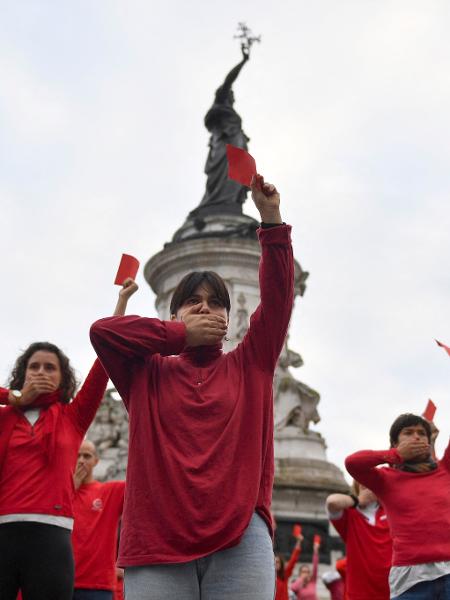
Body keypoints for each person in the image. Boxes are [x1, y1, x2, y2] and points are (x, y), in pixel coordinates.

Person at [90, 175, 294, 600]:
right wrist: (179, 336)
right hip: (156, 543)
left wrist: (271, 221)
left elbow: (277, 300)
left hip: (241, 537)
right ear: (173, 313)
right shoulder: (145, 374)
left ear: (229, 317)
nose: (204, 307)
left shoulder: (251, 363)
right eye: (192, 301)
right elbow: (103, 333)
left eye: (216, 301)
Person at [0, 279, 137, 600]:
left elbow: (104, 362)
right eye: (34, 367)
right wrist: (14, 398)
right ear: (22, 374)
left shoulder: (72, 416)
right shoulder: (6, 416)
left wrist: (121, 303)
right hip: (2, 531)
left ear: (63, 378)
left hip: (52, 534)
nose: (41, 372)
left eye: (50, 367)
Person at [345, 413, 450, 599]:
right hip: (410, 580)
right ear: (394, 444)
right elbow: (353, 463)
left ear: (429, 441)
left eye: (421, 433)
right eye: (408, 433)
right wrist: (397, 455)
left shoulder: (445, 469)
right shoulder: (385, 479)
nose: (416, 437)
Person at [72, 439, 125, 600]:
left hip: (98, 586)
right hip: (63, 582)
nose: (81, 460)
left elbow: (143, 483)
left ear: (96, 461)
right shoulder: (60, 493)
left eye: (87, 456)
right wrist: (70, 488)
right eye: (78, 456)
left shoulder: (109, 492)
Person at [325, 481, 392, 600]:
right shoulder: (350, 514)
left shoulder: (391, 511)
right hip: (358, 595)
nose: (365, 482)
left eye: (369, 479)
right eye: (361, 480)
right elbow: (331, 501)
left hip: (391, 592)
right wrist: (358, 500)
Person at [275, 533, 302, 600]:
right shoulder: (269, 577)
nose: (276, 564)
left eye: (278, 562)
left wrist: (299, 541)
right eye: (274, 562)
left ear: (281, 564)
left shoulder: (285, 574)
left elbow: (293, 560)